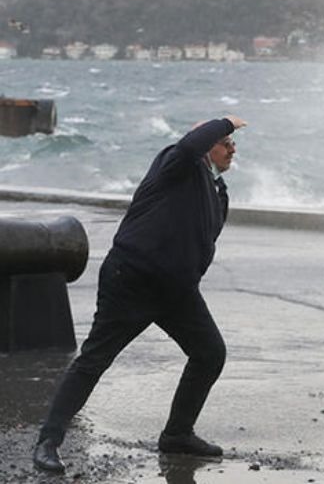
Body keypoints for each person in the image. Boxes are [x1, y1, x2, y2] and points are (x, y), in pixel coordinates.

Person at [33, 115, 247, 473]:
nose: (233, 148)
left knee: (210, 353)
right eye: (225, 141)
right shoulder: (176, 162)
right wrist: (225, 121)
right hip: (131, 280)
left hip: (177, 292)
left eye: (232, 143)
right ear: (206, 142)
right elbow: (189, 144)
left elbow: (203, 240)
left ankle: (178, 434)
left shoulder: (217, 190)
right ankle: (48, 442)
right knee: (94, 361)